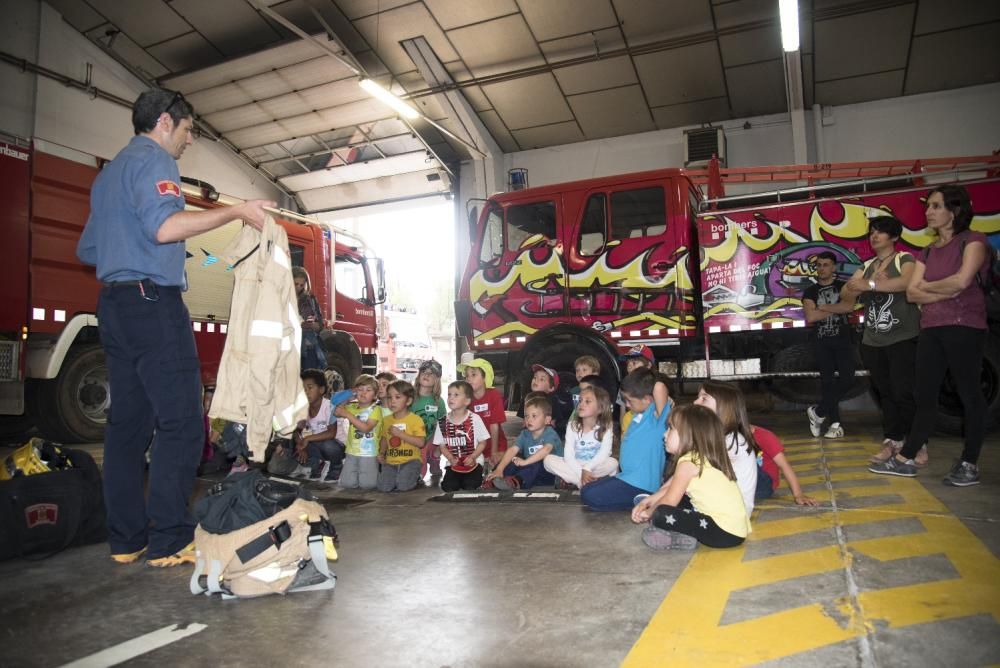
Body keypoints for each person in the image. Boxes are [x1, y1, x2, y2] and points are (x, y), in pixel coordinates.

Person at [76, 87, 272, 567]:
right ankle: (170, 538)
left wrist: (129, 254)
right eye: (187, 130)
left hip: (115, 305)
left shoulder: (109, 174)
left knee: (127, 427)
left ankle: (126, 540)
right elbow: (164, 228)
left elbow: (88, 250)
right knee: (182, 424)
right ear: (166, 122)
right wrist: (237, 211)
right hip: (151, 301)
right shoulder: (155, 160)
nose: (188, 140)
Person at [870, 185, 991, 486]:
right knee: (924, 395)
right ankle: (906, 457)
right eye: (929, 207)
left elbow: (963, 280)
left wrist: (930, 290)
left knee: (969, 395)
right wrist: (943, 290)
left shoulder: (973, 241)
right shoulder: (926, 251)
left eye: (936, 206)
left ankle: (969, 463)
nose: (929, 212)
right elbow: (912, 292)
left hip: (965, 326)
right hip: (932, 329)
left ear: (956, 210)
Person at [820, 216, 922, 465]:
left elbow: (907, 282)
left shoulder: (904, 259)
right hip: (873, 340)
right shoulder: (867, 265)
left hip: (903, 336)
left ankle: (917, 444)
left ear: (894, 237)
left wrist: (871, 284)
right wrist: (860, 285)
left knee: (903, 392)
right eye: (872, 232)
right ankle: (892, 441)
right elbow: (846, 293)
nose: (874, 236)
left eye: (881, 232)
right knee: (885, 393)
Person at [632, 405, 751, 551]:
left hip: (722, 533)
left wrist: (648, 514)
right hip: (734, 531)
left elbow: (669, 500)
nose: (664, 434)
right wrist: (649, 500)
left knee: (661, 513)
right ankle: (680, 530)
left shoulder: (688, 463)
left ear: (689, 435)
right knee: (674, 501)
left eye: (670, 429)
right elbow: (669, 487)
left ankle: (677, 538)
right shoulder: (699, 457)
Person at [695, 381, 817, 507]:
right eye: (697, 398)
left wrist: (798, 494)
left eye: (703, 398)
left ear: (724, 407)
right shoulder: (713, 433)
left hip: (763, 484)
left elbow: (784, 466)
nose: (695, 402)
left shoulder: (763, 436)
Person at [580, 368, 670, 511]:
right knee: (587, 489)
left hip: (641, 484)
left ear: (648, 399)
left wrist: (648, 375)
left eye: (630, 400)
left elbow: (659, 387)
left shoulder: (657, 418)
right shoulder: (637, 416)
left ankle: (646, 499)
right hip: (627, 477)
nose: (627, 405)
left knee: (589, 495)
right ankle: (642, 498)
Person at [801, 251, 856, 439]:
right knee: (827, 383)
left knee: (848, 378)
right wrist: (835, 308)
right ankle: (835, 424)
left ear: (833, 267)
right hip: (821, 341)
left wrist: (822, 307)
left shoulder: (844, 287)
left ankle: (818, 412)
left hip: (843, 339)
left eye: (826, 265)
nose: (822, 268)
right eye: (819, 265)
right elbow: (811, 316)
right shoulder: (810, 291)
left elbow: (849, 307)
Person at [544, 385, 618, 489]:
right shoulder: (572, 425)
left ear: (600, 408)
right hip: (575, 465)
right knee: (548, 460)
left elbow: (604, 453)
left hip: (595, 466)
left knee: (613, 463)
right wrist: (581, 473)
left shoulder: (607, 426)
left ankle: (573, 481)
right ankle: (586, 483)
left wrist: (587, 468)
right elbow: (568, 455)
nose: (581, 404)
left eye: (587, 401)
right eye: (580, 400)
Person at [485, 393, 561, 490]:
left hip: (548, 474)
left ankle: (516, 482)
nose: (529, 419)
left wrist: (525, 462)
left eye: (534, 416)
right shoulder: (525, 434)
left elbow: (546, 450)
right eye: (526, 416)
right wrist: (500, 468)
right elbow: (512, 450)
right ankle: (495, 478)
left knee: (538, 463)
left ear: (547, 420)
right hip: (528, 469)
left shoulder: (550, 433)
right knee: (513, 459)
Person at [434, 380, 490, 492]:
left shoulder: (475, 419)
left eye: (456, 395)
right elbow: (442, 446)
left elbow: (483, 442)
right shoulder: (442, 422)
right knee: (448, 487)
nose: (451, 398)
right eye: (449, 394)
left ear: (467, 401)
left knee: (470, 485)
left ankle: (481, 473)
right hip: (454, 464)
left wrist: (473, 457)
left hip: (474, 462)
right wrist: (450, 458)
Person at [295, 368, 344, 483]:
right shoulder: (303, 409)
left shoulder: (329, 407)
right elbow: (296, 430)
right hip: (316, 444)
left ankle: (336, 467)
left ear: (321, 390)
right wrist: (299, 444)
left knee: (328, 445)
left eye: (310, 388)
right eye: (303, 389)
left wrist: (307, 439)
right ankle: (317, 466)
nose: (306, 392)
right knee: (298, 444)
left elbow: (331, 433)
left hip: (336, 446)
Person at [377, 380, 426, 492]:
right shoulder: (386, 420)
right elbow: (384, 438)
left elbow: (421, 443)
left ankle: (416, 477)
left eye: (397, 397)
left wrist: (400, 434)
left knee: (403, 486)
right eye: (389, 397)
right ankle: (397, 477)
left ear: (408, 401)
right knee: (384, 488)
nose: (392, 401)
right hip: (391, 462)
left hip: (411, 461)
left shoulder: (416, 420)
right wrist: (381, 453)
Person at [335, 374, 383, 490]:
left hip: (369, 452)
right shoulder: (352, 407)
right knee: (347, 484)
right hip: (352, 451)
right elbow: (336, 411)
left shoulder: (375, 409)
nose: (363, 393)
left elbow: (366, 428)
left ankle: (380, 473)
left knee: (368, 485)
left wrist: (347, 414)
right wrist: (347, 399)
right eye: (360, 389)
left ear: (375, 395)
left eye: (368, 390)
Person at [456, 358, 507, 468]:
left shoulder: (494, 395)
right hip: (475, 446)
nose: (469, 379)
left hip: (496, 444)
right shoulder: (466, 398)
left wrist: (493, 452)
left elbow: (494, 426)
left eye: (473, 375)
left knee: (500, 466)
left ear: (484, 377)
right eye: (467, 376)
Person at [412, 359, 446, 480]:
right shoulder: (410, 397)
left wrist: (436, 442)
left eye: (431, 373)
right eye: (423, 372)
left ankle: (434, 457)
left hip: (431, 438)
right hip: (413, 439)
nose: (426, 375)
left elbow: (442, 423)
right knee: (420, 452)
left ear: (437, 379)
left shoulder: (438, 401)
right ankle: (420, 469)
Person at [292, 266, 326, 372]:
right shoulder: (281, 298)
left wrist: (317, 326)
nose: (299, 287)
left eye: (302, 285)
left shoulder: (310, 299)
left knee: (309, 377)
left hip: (308, 344)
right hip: (290, 343)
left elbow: (320, 322)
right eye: (296, 284)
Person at [526, 364, 573, 437]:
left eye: (542, 379)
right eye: (535, 377)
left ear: (551, 388)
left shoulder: (552, 400)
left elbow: (554, 421)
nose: (536, 380)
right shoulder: (528, 398)